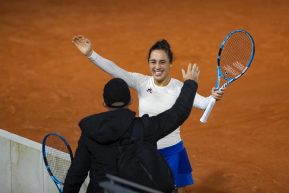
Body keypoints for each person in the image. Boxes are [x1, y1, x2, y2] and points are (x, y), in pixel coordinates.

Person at [72, 35, 224, 193]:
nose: (157, 67)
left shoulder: (180, 88)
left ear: (170, 63)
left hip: (172, 152)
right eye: (153, 62)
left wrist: (212, 97)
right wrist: (91, 54)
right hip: (146, 153)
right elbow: (115, 70)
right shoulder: (141, 82)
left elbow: (203, 103)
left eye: (162, 62)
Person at [63, 63, 200, 193]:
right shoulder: (145, 128)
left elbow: (76, 174)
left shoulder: (90, 133)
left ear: (104, 103)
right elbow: (177, 114)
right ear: (130, 101)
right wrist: (190, 83)